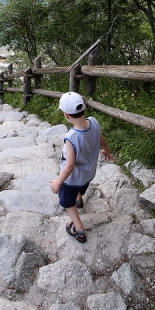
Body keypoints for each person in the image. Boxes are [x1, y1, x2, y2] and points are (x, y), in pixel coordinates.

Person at [50, 91, 113, 243]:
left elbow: (70, 165)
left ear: (66, 115)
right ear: (84, 109)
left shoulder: (71, 137)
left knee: (66, 201)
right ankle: (79, 199)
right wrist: (106, 150)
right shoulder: (94, 122)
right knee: (81, 187)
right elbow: (101, 139)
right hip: (88, 173)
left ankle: (78, 228)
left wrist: (58, 181)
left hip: (72, 179)